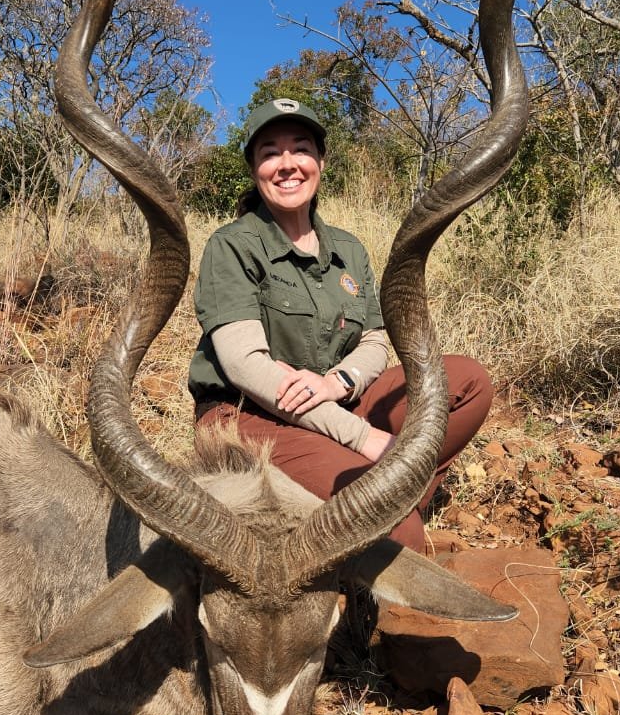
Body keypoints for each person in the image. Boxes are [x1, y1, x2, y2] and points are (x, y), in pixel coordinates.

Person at [187, 97, 493, 552]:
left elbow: (373, 341)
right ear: (254, 168)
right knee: (397, 532)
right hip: (248, 416)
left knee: (469, 382)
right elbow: (245, 367)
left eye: (300, 149)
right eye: (270, 152)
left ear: (321, 161)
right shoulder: (232, 246)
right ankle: (383, 525)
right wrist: (364, 437)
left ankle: (394, 500)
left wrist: (338, 382)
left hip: (336, 402)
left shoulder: (348, 249)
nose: (287, 164)